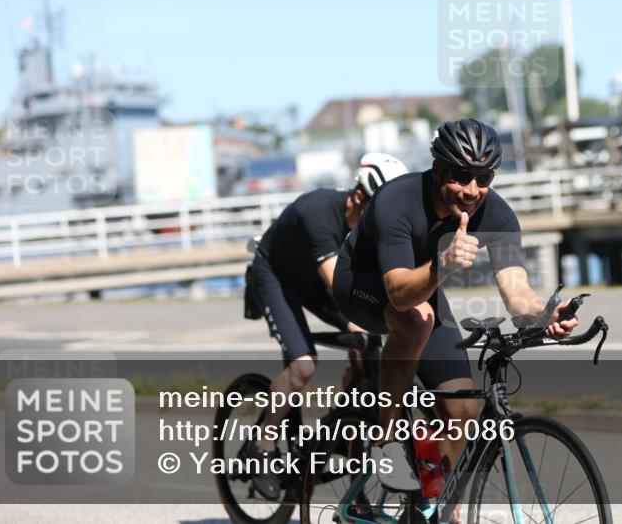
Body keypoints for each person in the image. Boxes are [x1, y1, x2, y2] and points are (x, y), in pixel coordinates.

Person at [333, 119, 577, 493]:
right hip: (361, 283)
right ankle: (386, 444)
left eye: (483, 178)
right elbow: (398, 292)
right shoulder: (397, 201)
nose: (472, 190)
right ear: (437, 169)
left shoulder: (495, 215)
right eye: (462, 176)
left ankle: (435, 504)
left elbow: (517, 293)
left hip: (424, 287)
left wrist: (545, 314)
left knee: (462, 410)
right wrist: (443, 264)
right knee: (416, 320)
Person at [246, 152, 408, 499]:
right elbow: (341, 288)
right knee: (303, 366)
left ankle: (341, 426)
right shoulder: (318, 210)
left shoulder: (374, 229)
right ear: (359, 196)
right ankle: (260, 447)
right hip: (276, 276)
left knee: (366, 341)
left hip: (314, 282)